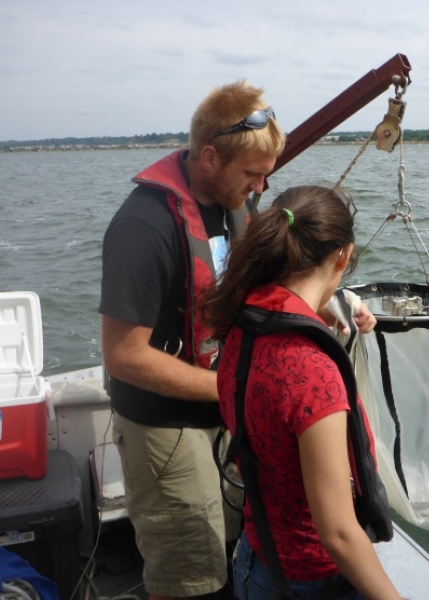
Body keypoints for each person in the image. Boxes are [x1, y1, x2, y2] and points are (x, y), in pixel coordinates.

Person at [99, 80, 286, 600]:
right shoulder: (144, 225)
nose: (259, 189)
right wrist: (230, 386)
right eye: (251, 175)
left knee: (229, 546)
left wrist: (342, 307)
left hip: (223, 416)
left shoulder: (237, 207)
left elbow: (268, 287)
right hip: (166, 426)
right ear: (209, 157)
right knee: (189, 574)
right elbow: (122, 355)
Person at [202, 186, 405, 600]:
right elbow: (337, 533)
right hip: (312, 580)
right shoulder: (313, 375)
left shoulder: (239, 328)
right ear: (343, 257)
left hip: (255, 562)